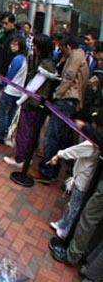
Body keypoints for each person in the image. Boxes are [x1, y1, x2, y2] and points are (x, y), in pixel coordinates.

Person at [35, 35, 89, 183]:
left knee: (53, 136)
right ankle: (50, 170)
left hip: (65, 101)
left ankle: (47, 171)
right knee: (58, 136)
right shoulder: (79, 56)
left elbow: (68, 78)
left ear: (68, 47)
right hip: (69, 101)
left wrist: (57, 95)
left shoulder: (75, 56)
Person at [4, 34, 59, 169]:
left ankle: (19, 158)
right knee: (28, 130)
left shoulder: (45, 65)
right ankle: (24, 156)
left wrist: (21, 101)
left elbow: (33, 87)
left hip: (32, 103)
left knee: (24, 130)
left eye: (35, 45)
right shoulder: (45, 63)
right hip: (35, 103)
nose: (33, 48)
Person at [47, 109, 101, 239]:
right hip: (82, 178)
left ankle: (66, 231)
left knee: (75, 207)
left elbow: (74, 151)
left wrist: (59, 154)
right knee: (72, 204)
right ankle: (62, 224)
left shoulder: (92, 144)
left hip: (82, 180)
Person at [0, 36, 28, 144]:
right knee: (10, 114)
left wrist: (2, 82)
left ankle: (0, 135)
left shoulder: (17, 59)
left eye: (15, 44)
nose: (12, 46)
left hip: (10, 90)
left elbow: (10, 74)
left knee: (3, 113)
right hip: (17, 91)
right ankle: (5, 135)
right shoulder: (24, 59)